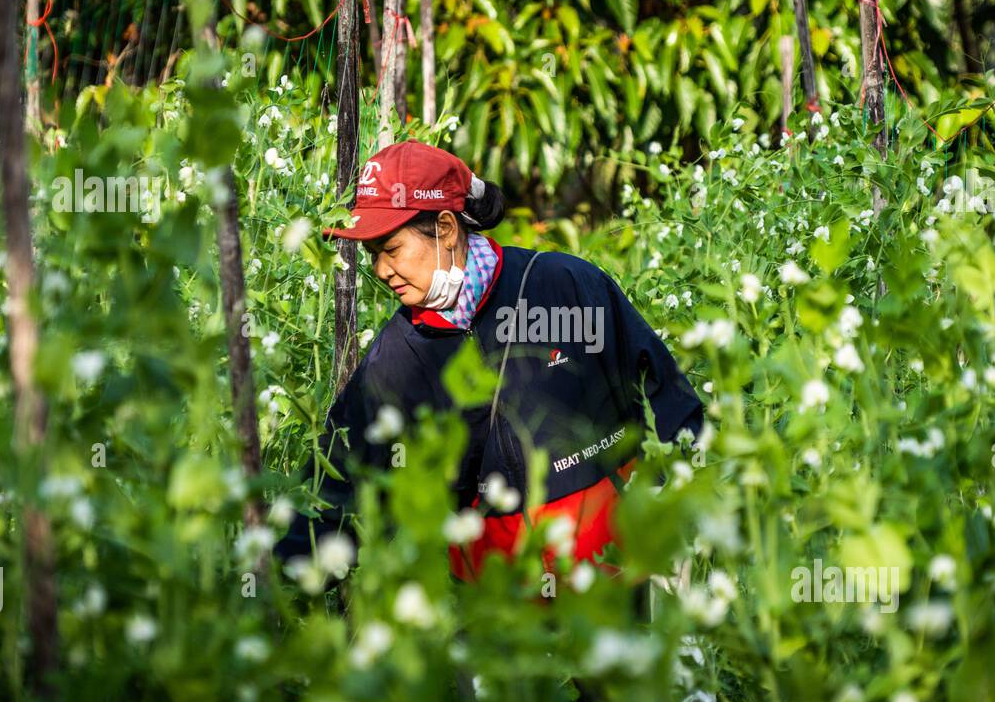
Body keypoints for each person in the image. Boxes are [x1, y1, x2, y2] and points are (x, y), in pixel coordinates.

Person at [274, 139, 703, 599]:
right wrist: (278, 588)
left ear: (445, 227)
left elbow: (666, 400)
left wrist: (674, 513)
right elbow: (341, 485)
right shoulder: (396, 361)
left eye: (391, 248)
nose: (380, 269)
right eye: (372, 253)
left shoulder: (565, 285)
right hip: (494, 615)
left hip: (614, 585)